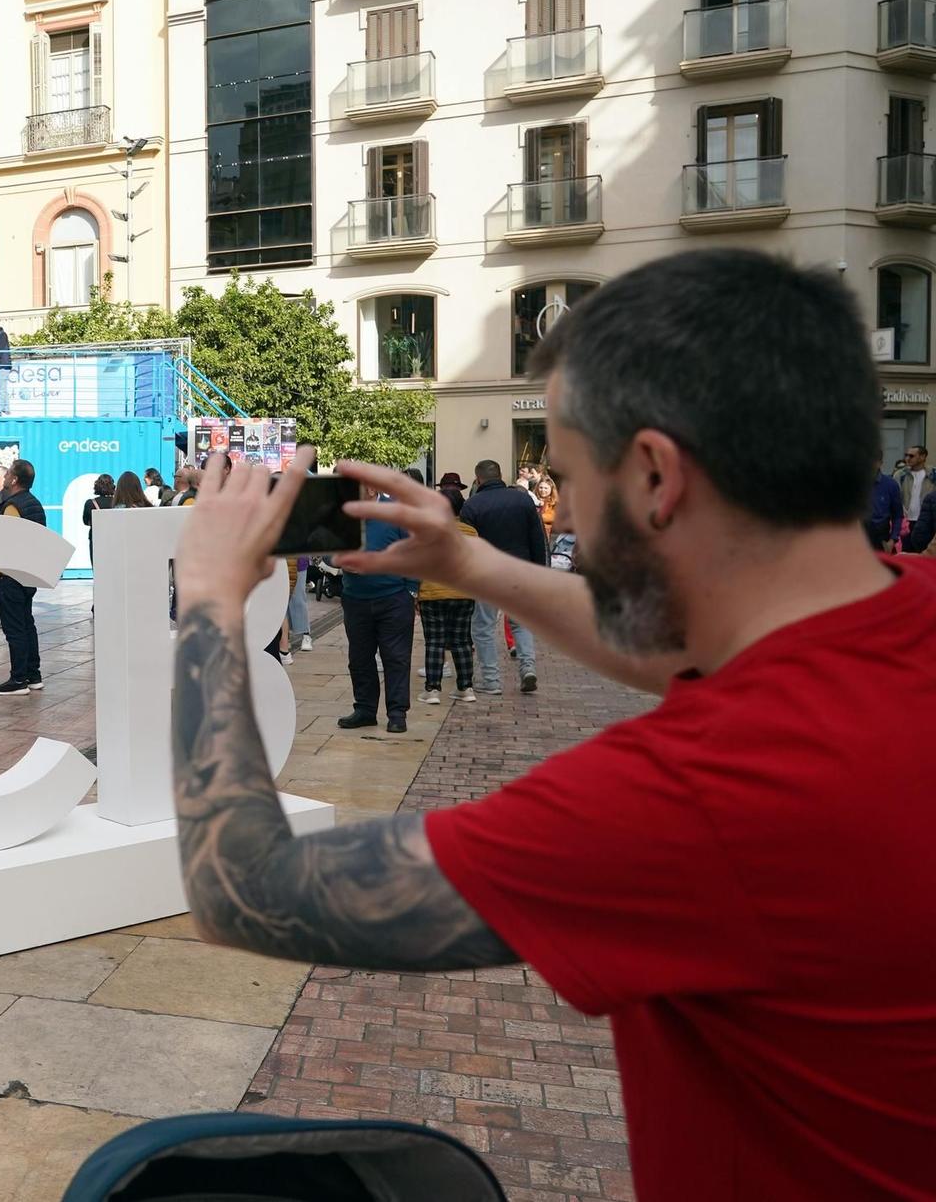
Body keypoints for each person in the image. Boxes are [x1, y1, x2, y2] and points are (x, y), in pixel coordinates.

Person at [169, 250, 936, 1201]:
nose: (561, 506)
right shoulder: (903, 609)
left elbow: (241, 886)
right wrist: (475, 562)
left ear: (655, 474)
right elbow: (688, 647)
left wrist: (206, 598)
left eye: (567, 475)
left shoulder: (710, 793)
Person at [336, 479, 417, 733]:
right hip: (355, 599)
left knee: (395, 657)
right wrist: (340, 561)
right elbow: (327, 548)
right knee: (359, 658)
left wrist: (411, 590)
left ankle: (397, 713)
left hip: (394, 598)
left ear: (371, 489)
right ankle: (365, 709)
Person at [460, 459, 547, 694]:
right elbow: (537, 539)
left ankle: (491, 680)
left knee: (483, 627)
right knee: (521, 622)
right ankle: (528, 668)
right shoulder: (522, 500)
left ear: (478, 479)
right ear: (501, 475)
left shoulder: (472, 506)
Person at [417, 489, 479, 704]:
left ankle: (432, 690)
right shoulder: (471, 532)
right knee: (462, 641)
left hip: (432, 592)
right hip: (463, 592)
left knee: (434, 641)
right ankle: (466, 687)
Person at [0, 460, 46, 693]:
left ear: (13, 479)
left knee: (14, 629)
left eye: (8, 473)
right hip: (28, 573)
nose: (5, 478)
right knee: (27, 624)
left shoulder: (12, 505)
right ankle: (34, 675)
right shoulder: (34, 503)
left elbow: (5, 540)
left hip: (10, 576)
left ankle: (18, 679)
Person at [866, 459, 904, 551]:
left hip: (881, 539)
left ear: (879, 463)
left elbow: (898, 515)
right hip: (857, 538)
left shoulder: (890, 485)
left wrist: (892, 540)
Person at [80, 473, 117, 565]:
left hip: (96, 538)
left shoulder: (90, 503)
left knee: (97, 567)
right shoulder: (117, 502)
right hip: (115, 538)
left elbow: (85, 521)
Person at [897, 445, 930, 544]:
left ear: (922, 457)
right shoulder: (900, 475)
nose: (907, 458)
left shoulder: (933, 475)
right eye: (906, 455)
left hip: (926, 521)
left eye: (911, 456)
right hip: (906, 522)